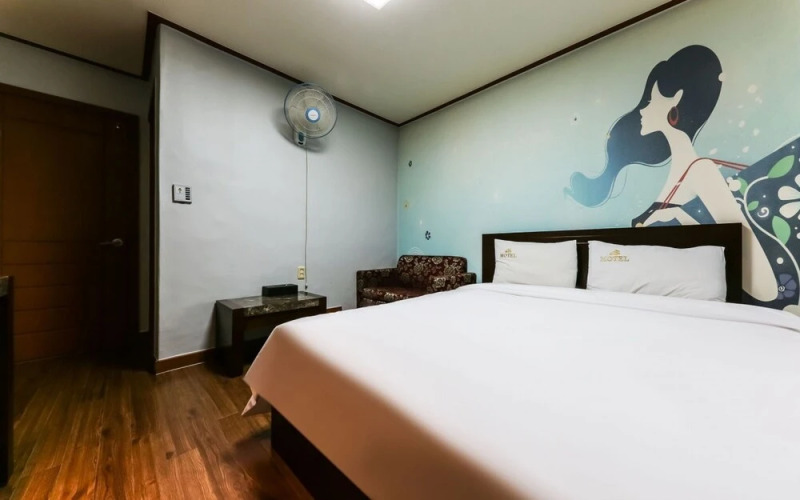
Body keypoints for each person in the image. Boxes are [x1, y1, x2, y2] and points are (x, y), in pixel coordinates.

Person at [566, 45, 779, 303]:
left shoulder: (700, 171)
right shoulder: (678, 174)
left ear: (675, 100)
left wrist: (681, 218)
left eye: (649, 101)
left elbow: (766, 288)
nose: (642, 110)